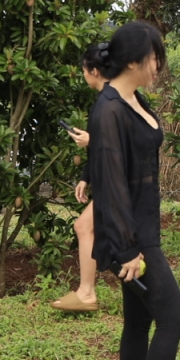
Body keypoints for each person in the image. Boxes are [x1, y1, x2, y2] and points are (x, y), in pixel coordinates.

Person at [88, 23, 180, 360]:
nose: (159, 65)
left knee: (137, 321)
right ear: (134, 60)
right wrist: (128, 250)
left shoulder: (132, 100)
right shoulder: (110, 109)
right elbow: (111, 183)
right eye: (155, 57)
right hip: (133, 238)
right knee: (173, 315)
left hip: (143, 228)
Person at [53, 42, 111, 314]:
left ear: (94, 70)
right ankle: (86, 291)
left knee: (86, 227)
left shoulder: (111, 101)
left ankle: (87, 292)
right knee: (85, 227)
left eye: (83, 69)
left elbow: (122, 143)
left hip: (118, 183)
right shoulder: (104, 100)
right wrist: (86, 177)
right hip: (107, 181)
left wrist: (92, 140)